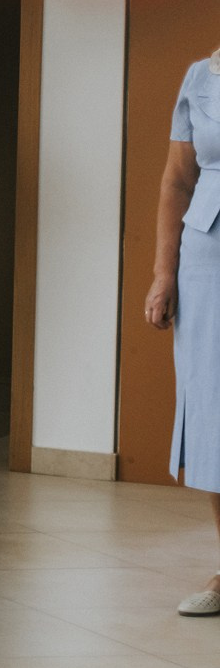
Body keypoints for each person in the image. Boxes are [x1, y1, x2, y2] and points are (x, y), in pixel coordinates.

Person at [144, 47, 220, 616]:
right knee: (217, 416)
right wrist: (162, 275)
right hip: (207, 263)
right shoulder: (200, 75)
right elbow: (177, 181)